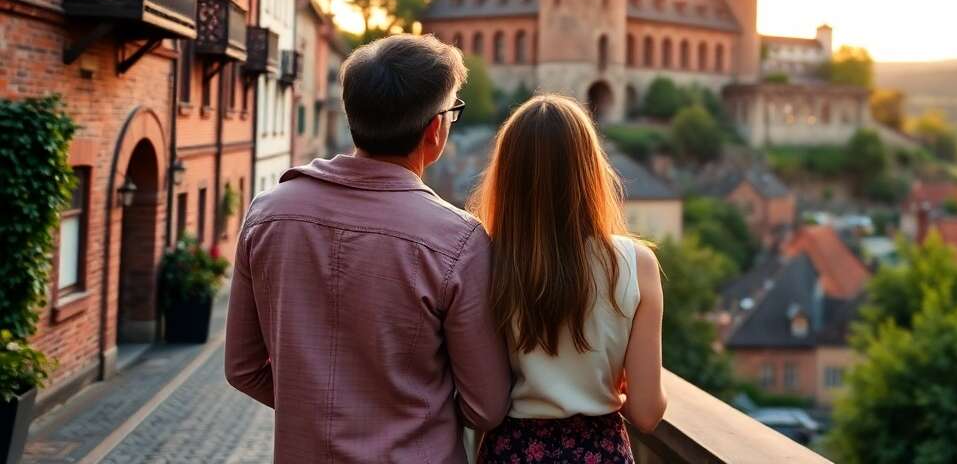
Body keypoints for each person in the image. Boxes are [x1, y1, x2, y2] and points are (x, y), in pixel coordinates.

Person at [225, 34, 510, 463]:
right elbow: (485, 407)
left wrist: (323, 414)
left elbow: (243, 369)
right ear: (435, 129)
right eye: (453, 110)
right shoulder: (458, 240)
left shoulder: (268, 213)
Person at [474, 95, 667, 464]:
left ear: (507, 176)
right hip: (599, 451)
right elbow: (646, 412)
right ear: (590, 172)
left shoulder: (484, 260)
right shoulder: (636, 265)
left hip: (512, 452)